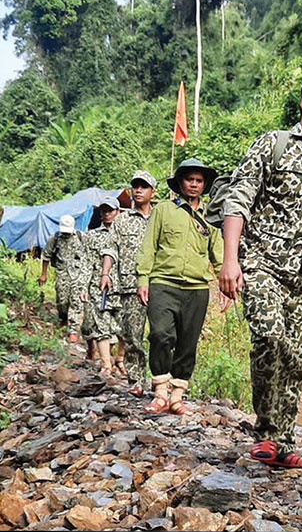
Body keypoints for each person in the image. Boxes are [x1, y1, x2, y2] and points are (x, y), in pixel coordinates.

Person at [217, 72, 302, 469]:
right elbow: (238, 200)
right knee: (269, 337)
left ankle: (282, 442)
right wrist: (230, 259)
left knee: (296, 356)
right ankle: (265, 432)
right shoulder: (274, 145)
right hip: (261, 262)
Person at [135, 158, 231, 415]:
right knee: (160, 334)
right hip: (163, 282)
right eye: (189, 179)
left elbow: (218, 254)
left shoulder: (211, 216)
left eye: (199, 180)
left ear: (204, 185)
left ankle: (177, 396)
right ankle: (160, 391)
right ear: (180, 182)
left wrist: (225, 285)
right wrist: (143, 279)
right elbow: (149, 246)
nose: (194, 184)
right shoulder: (163, 210)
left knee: (188, 342)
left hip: (197, 288)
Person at [102, 170, 157, 396]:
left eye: (144, 187)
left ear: (153, 192)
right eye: (136, 186)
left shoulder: (161, 217)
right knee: (133, 336)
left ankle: (161, 381)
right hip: (130, 285)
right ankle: (137, 380)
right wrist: (105, 273)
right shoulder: (122, 220)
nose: (138, 190)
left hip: (160, 283)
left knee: (161, 335)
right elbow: (110, 248)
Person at [76, 195, 121, 375]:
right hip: (98, 287)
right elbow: (85, 263)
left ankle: (116, 359)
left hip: (122, 287)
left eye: (110, 210)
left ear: (118, 212)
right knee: (101, 326)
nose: (107, 214)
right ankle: (106, 364)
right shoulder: (92, 236)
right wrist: (83, 287)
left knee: (119, 327)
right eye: (104, 211)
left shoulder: (126, 234)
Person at [39, 214, 84, 342]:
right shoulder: (55, 238)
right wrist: (44, 274)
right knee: (62, 301)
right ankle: (63, 319)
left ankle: (73, 330)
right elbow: (46, 256)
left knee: (76, 302)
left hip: (78, 274)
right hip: (62, 273)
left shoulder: (81, 237)